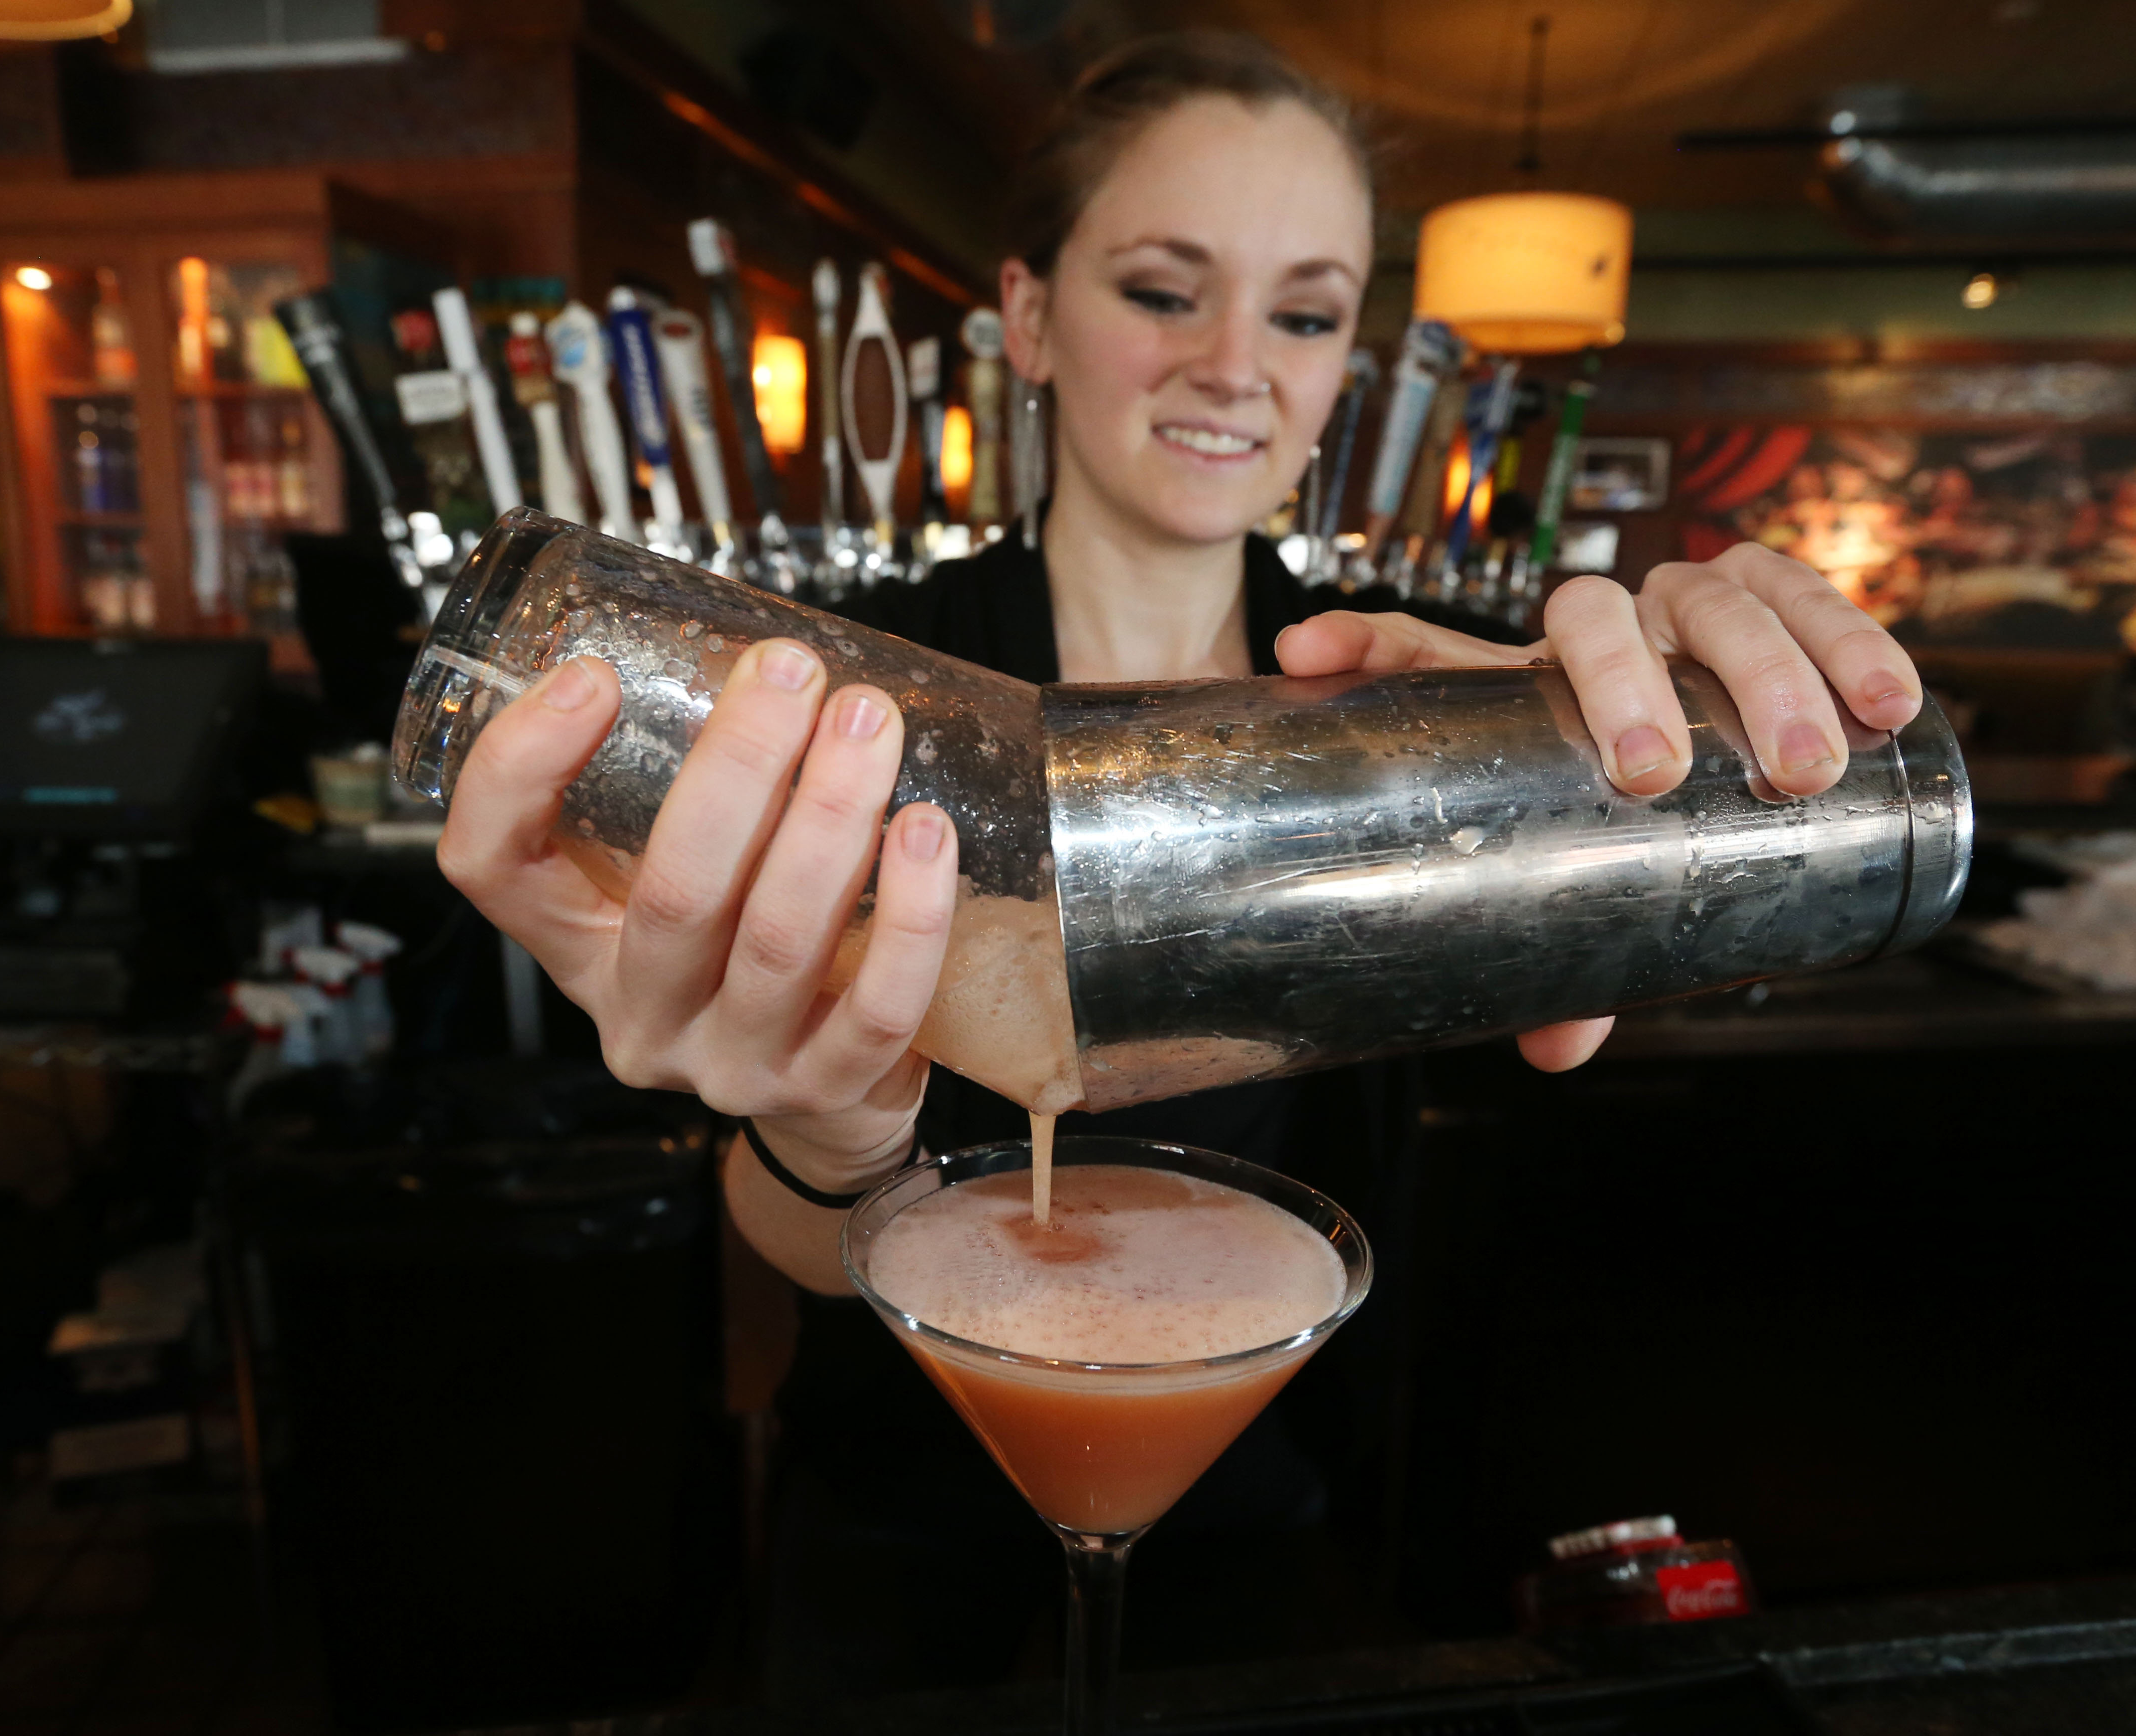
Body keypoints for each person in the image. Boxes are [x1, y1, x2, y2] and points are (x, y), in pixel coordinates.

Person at [437, 32, 1927, 1695]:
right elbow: (775, 1253)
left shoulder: (1438, 706)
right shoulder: (851, 694)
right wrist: (822, 1132)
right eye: (1164, 290)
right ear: (1026, 318)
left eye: (1303, 315)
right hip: (898, 1537)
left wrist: (1697, 762)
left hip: (1270, 1530)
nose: (1236, 366)